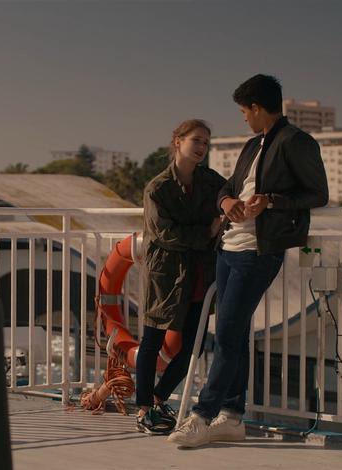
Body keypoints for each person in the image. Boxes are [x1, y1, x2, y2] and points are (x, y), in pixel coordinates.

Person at [168, 74, 329, 447]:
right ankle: (233, 415)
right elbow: (228, 187)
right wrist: (227, 203)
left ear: (257, 108)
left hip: (260, 251)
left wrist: (270, 201)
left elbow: (317, 193)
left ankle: (202, 416)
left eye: (244, 111)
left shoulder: (297, 142)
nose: (243, 118)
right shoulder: (252, 145)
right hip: (229, 247)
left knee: (224, 334)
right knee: (234, 334)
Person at [135, 119, 226, 434]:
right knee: (152, 341)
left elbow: (231, 195)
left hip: (200, 272)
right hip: (166, 274)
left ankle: (159, 396)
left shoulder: (212, 181)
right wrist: (207, 231)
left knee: (195, 344)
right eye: (196, 140)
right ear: (178, 141)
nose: (201, 148)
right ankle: (144, 409)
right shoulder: (158, 187)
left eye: (205, 142)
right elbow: (163, 232)